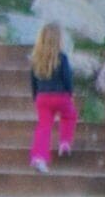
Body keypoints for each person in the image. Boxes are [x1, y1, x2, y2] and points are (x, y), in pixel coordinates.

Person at [28, 23, 78, 172]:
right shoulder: (62, 58)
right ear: (58, 40)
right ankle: (65, 142)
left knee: (44, 127)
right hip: (61, 96)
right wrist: (70, 93)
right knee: (69, 115)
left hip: (42, 97)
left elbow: (33, 80)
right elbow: (67, 78)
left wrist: (35, 96)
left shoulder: (36, 59)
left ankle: (39, 157)